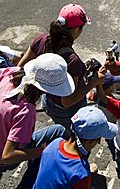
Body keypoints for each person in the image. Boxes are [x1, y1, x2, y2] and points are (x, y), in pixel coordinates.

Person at [18, 4, 104, 130]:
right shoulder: (72, 61)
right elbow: (68, 102)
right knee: (68, 134)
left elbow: (20, 66)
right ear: (75, 29)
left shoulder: (42, 39)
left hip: (48, 101)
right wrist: (93, 83)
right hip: (65, 112)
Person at [0, 53, 75, 188]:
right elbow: (7, 156)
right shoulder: (25, 110)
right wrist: (42, 150)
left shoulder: (10, 72)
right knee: (57, 133)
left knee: (57, 130)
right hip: (3, 156)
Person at [33, 106, 117, 189]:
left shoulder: (54, 143)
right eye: (98, 140)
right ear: (90, 142)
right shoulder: (81, 173)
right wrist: (86, 174)